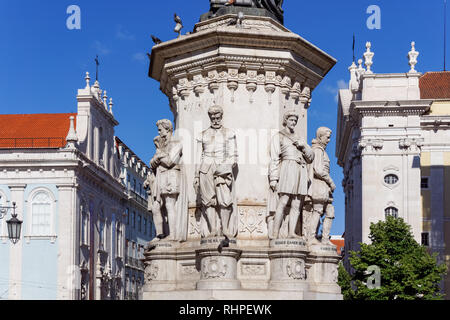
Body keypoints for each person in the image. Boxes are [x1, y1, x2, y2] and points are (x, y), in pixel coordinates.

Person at [268, 111, 314, 239]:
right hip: (287, 168)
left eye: (295, 121)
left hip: (300, 169)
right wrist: (273, 178)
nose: (293, 123)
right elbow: (274, 158)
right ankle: (275, 233)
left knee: (297, 203)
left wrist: (303, 146)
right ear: (286, 120)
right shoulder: (279, 136)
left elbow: (311, 157)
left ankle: (291, 233)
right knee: (283, 201)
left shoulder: (300, 138)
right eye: (291, 120)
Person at [194, 105, 238, 238]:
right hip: (205, 168)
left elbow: (234, 155)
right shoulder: (202, 135)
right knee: (208, 200)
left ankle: (225, 228)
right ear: (210, 118)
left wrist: (226, 166)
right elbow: (198, 156)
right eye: (213, 118)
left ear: (221, 117)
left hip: (222, 168)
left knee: (225, 199)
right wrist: (196, 175)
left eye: (218, 118)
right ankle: (213, 229)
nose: (215, 120)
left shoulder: (229, 133)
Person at [148, 119, 188, 242]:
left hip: (171, 177)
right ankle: (160, 234)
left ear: (168, 129)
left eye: (160, 130)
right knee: (156, 207)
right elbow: (152, 164)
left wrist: (159, 156)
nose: (159, 132)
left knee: (170, 205)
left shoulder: (176, 143)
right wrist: (159, 157)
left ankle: (173, 234)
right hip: (160, 177)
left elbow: (170, 161)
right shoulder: (161, 145)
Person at [307, 127, 336, 245]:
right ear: (320, 136)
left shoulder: (322, 150)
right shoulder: (318, 150)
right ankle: (311, 237)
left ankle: (325, 239)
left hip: (324, 186)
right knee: (318, 210)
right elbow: (317, 169)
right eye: (327, 137)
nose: (329, 140)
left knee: (330, 211)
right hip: (319, 185)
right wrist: (330, 181)